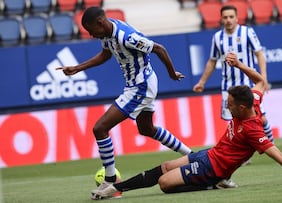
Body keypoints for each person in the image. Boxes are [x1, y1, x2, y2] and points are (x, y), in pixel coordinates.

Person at [91, 53, 282, 200]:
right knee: (165, 166)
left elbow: (278, 154)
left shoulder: (252, 128)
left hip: (214, 169)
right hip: (209, 154)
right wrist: (240, 65)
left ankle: (212, 186)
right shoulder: (254, 100)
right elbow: (261, 82)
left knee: (164, 184)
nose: (227, 107)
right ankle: (116, 188)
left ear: (242, 108)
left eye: (230, 105)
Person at [56, 6, 193, 198]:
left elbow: (159, 49)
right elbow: (105, 54)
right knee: (146, 129)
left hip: (140, 86)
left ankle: (110, 181)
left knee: (100, 128)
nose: (91, 35)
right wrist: (78, 68)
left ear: (100, 23)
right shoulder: (106, 33)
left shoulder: (126, 37)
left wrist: (171, 74)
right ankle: (192, 155)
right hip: (140, 83)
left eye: (90, 30)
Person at [193, 5, 274, 144]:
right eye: (225, 17)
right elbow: (212, 61)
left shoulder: (247, 32)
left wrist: (264, 78)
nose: (228, 20)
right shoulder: (218, 37)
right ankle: (243, 155)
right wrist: (202, 82)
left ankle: (271, 143)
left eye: (231, 17)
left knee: (262, 118)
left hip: (248, 85)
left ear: (237, 18)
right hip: (228, 88)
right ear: (221, 19)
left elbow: (259, 54)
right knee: (235, 123)